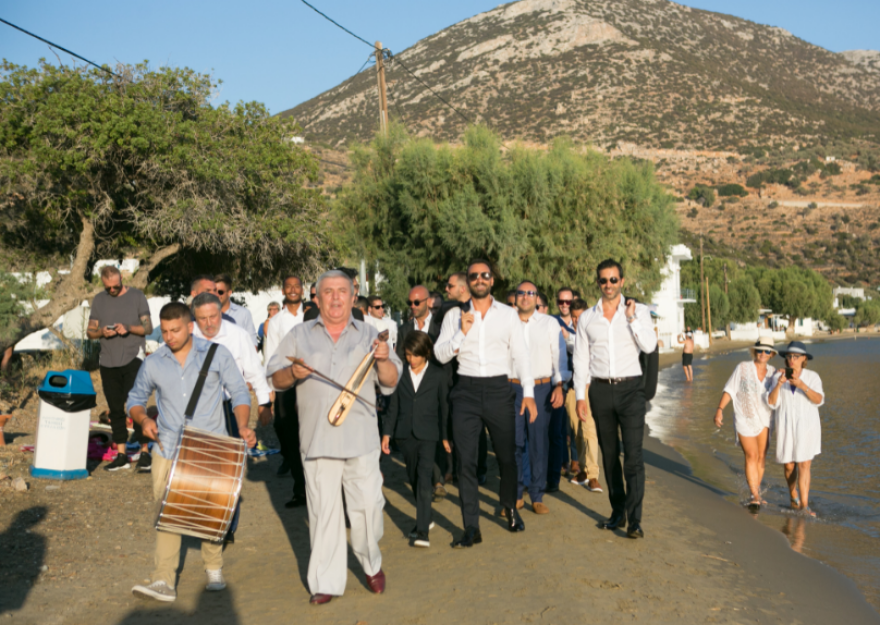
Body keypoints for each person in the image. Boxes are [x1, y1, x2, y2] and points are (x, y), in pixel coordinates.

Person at [266, 269, 402, 604]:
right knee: (323, 514)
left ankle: (371, 563)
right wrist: (291, 372)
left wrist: (384, 359)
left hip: (361, 441)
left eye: (342, 291)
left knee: (368, 509)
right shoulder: (298, 334)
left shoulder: (371, 335)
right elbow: (275, 378)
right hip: (316, 441)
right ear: (317, 297)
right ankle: (325, 581)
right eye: (328, 291)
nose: (336, 297)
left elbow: (390, 381)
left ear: (353, 296)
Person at [128, 302, 255, 603]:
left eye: (175, 330)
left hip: (212, 447)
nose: (169, 337)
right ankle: (163, 579)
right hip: (168, 447)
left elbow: (239, 392)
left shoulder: (216, 354)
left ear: (189, 327)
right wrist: (143, 420)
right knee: (167, 512)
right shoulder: (153, 362)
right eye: (165, 331)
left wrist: (242, 425)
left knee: (211, 509)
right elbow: (135, 399)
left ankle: (213, 567)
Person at [435, 260, 537, 547]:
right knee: (465, 461)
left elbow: (521, 355)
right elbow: (440, 355)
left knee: (507, 456)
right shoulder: (454, 316)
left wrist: (529, 392)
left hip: (498, 389)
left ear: (492, 280)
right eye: (474, 276)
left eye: (485, 275)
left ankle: (510, 507)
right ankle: (471, 527)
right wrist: (461, 333)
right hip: (465, 391)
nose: (479, 279)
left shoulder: (508, 315)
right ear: (468, 282)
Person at [574, 259, 657, 539]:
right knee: (609, 454)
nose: (608, 285)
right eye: (603, 280)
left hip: (631, 390)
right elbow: (581, 359)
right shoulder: (587, 318)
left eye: (613, 280)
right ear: (598, 282)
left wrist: (632, 318)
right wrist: (580, 397)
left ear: (622, 281)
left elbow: (649, 345)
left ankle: (635, 520)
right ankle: (617, 512)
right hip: (599, 391)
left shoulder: (639, 311)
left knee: (633, 456)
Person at [382, 331, 450, 547]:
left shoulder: (438, 375)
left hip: (429, 435)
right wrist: (387, 433)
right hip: (404, 435)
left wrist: (445, 436)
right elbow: (393, 406)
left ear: (426, 352)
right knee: (413, 477)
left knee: (423, 478)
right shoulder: (400, 372)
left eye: (415, 355)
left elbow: (444, 408)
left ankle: (422, 532)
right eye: (408, 354)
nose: (411, 359)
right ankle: (426, 517)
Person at [86, 266, 152, 472]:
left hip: (133, 357)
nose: (112, 290)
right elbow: (90, 331)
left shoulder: (137, 296)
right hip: (108, 361)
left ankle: (145, 452)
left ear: (121, 278)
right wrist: (101, 333)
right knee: (115, 409)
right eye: (108, 288)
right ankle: (122, 454)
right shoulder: (99, 300)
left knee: (136, 405)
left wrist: (129, 328)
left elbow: (148, 328)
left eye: (115, 286)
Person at [512, 281, 567, 514]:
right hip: (512, 388)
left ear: (536, 298)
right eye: (521, 293)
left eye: (530, 293)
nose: (525, 297)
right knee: (514, 442)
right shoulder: (507, 323)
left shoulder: (549, 323)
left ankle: (536, 494)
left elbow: (559, 356)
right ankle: (515, 494)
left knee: (538, 442)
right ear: (516, 297)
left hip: (541, 388)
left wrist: (559, 386)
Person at [191, 293, 273, 438]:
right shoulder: (188, 337)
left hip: (229, 408)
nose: (209, 323)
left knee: (231, 449)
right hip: (197, 410)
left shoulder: (238, 335)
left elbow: (254, 371)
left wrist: (264, 403)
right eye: (202, 319)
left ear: (220, 313)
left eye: (213, 316)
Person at [713, 337, 778, 509]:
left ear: (771, 354)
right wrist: (719, 409)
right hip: (744, 416)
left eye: (767, 351)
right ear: (754, 351)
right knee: (751, 455)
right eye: (760, 350)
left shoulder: (774, 373)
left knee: (761, 456)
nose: (762, 353)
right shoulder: (742, 368)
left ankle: (754, 492)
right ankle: (755, 495)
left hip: (765, 418)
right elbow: (730, 389)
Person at [766, 341, 825, 517]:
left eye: (795, 356)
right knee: (789, 466)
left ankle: (804, 506)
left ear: (803, 358)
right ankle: (793, 495)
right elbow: (771, 402)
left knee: (805, 464)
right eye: (789, 356)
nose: (791, 359)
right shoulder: (778, 377)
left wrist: (802, 386)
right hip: (785, 425)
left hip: (807, 427)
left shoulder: (812, 377)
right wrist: (778, 384)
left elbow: (819, 400)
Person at [264, 276, 308, 502]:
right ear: (283, 290)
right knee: (289, 434)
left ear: (302, 290)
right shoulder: (276, 322)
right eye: (288, 286)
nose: (292, 290)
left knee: (311, 434)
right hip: (286, 383)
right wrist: (270, 388)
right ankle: (300, 489)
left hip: (311, 382)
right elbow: (270, 355)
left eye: (296, 286)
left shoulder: (312, 315)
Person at [564, 298, 602, 493]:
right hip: (571, 388)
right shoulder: (568, 333)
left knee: (589, 430)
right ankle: (583, 470)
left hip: (588, 387)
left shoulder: (591, 331)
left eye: (579, 316)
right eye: (573, 317)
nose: (576, 320)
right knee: (576, 430)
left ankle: (593, 475)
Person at [215, 274, 258, 347]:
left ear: (229, 293)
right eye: (214, 291)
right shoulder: (206, 314)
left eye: (220, 292)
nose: (216, 295)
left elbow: (252, 343)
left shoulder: (243, 313)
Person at [396, 285, 437, 361]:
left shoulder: (440, 325)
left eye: (416, 302)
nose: (412, 306)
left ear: (428, 301)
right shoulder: (403, 330)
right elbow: (400, 360)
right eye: (410, 303)